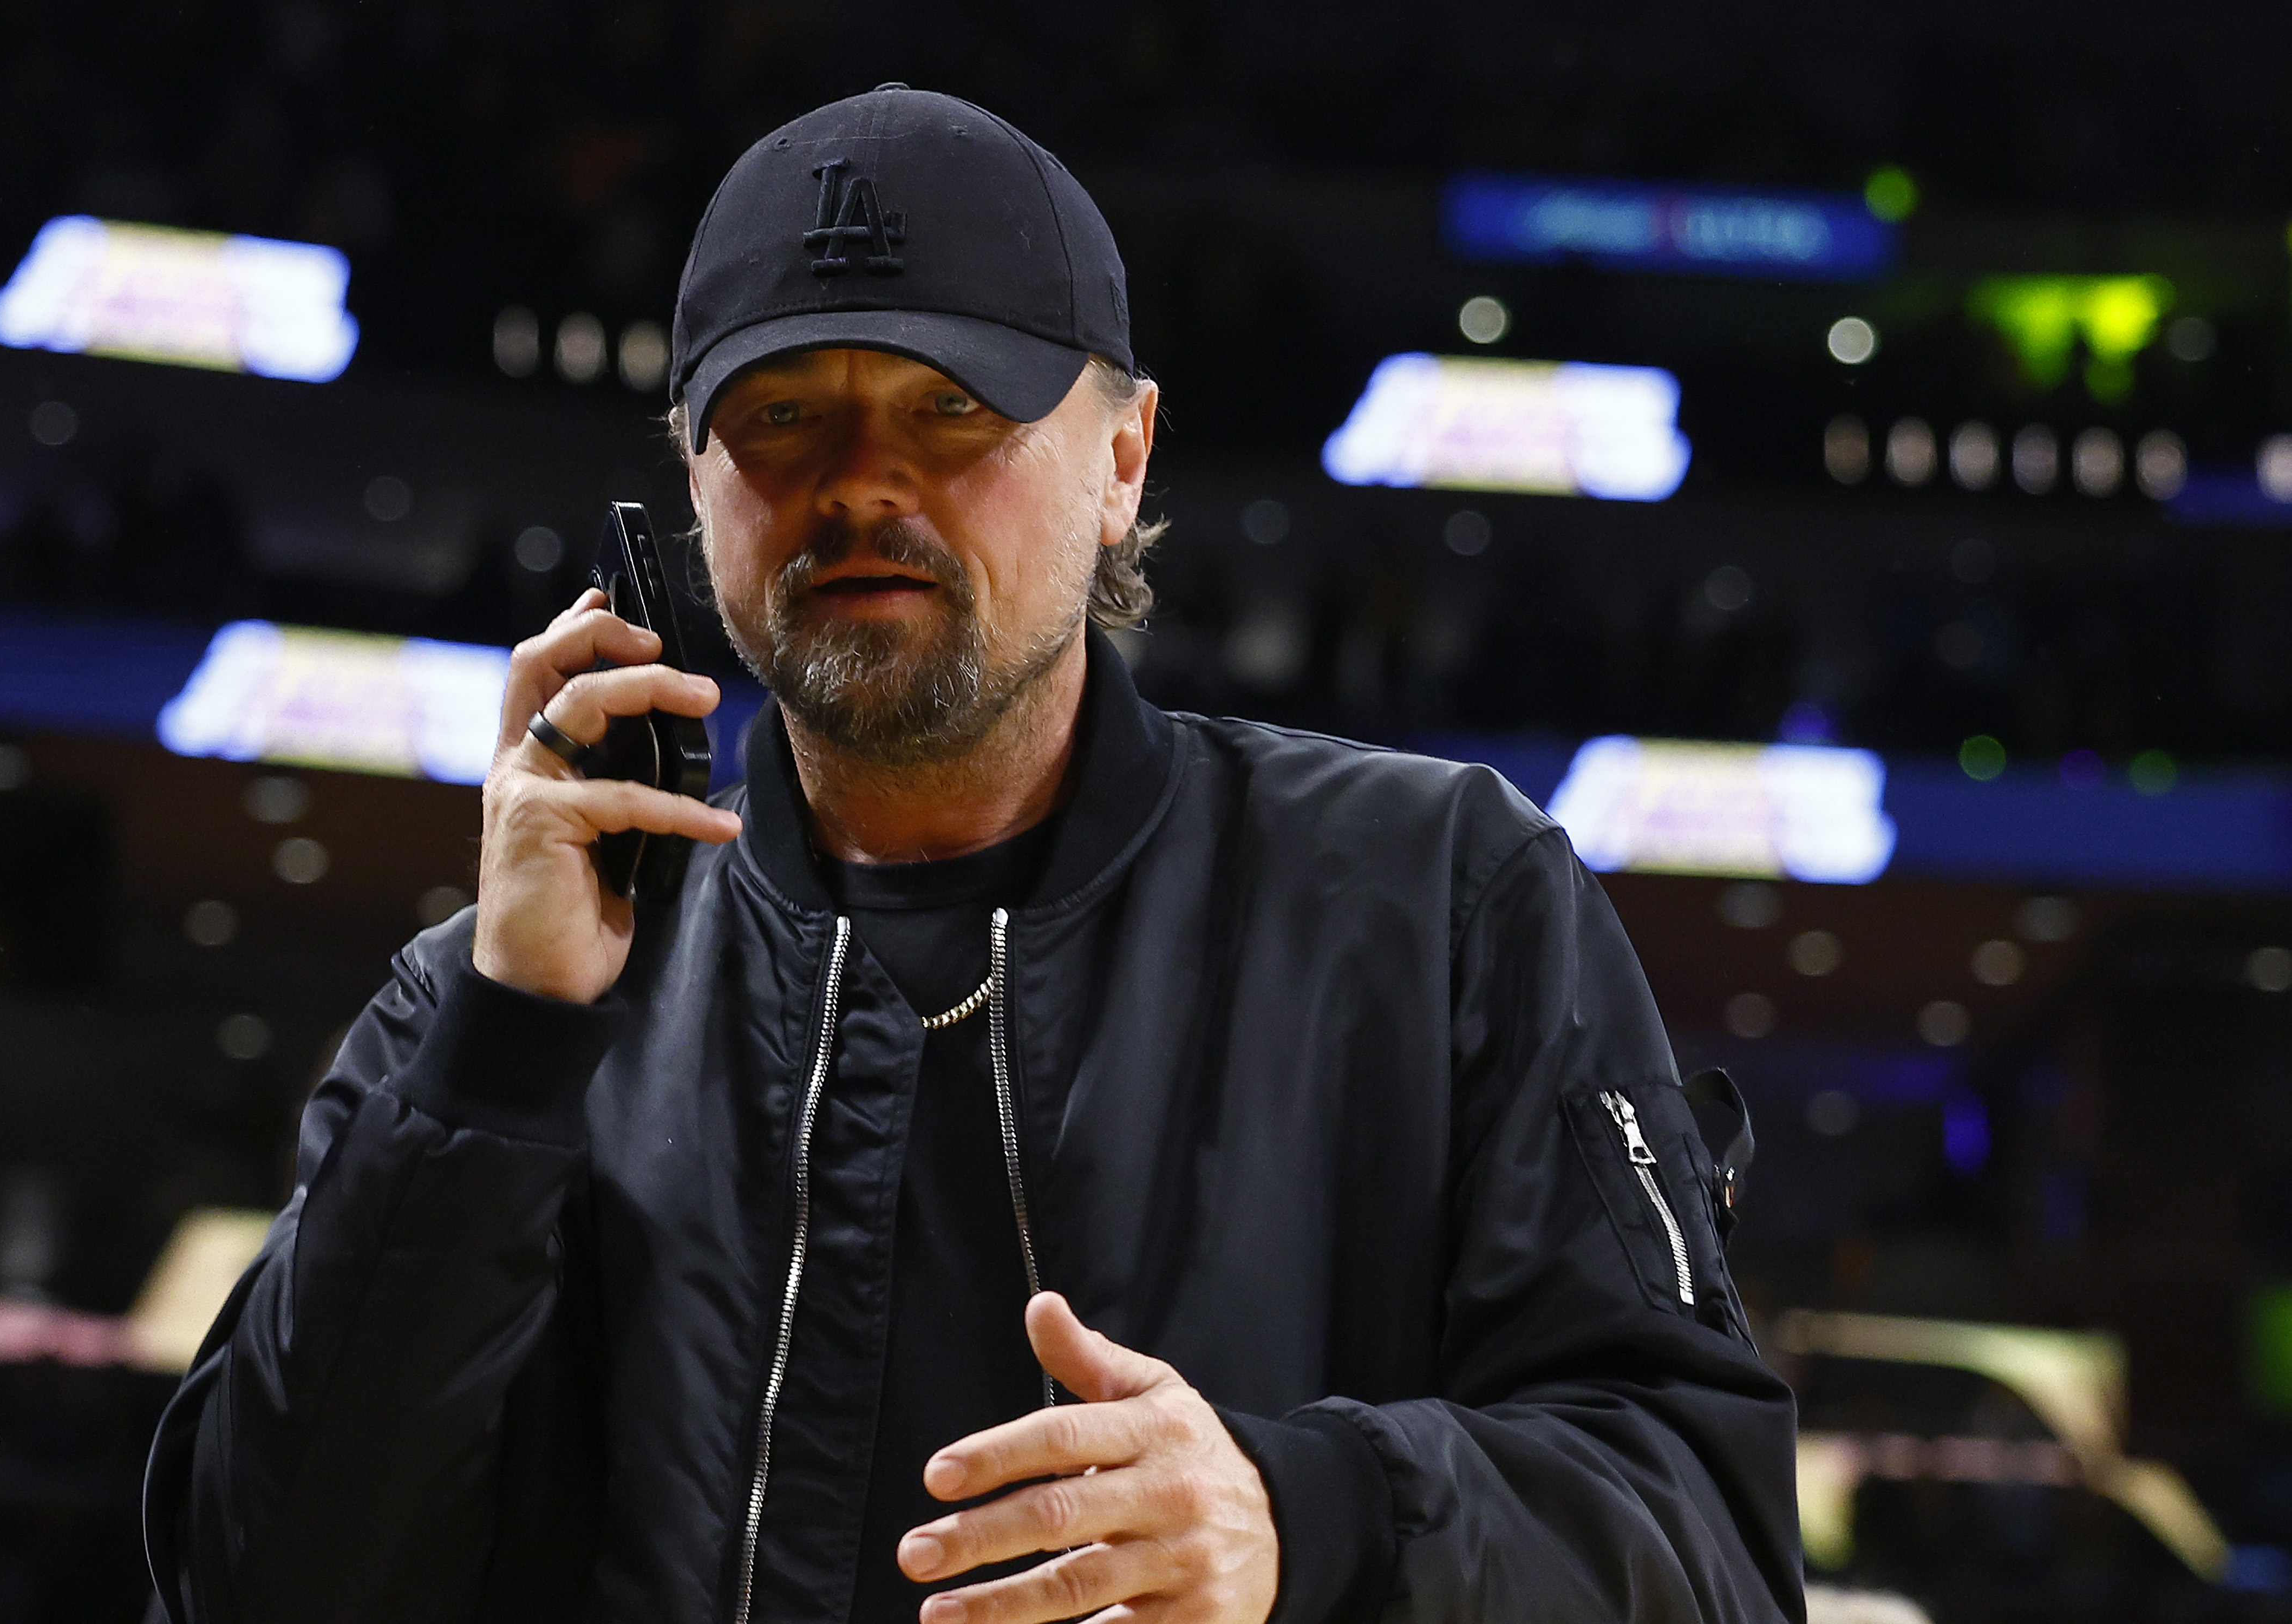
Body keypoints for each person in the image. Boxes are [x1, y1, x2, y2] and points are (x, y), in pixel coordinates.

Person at [143, 86, 1801, 1624]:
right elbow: (254, 1584)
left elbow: (1713, 1546)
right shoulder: (502, 1000)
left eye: (953, 409)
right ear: (693, 481)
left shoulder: (1445, 900)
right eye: (784, 414)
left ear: (1125, 455)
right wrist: (505, 1052)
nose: (862, 484)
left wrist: (1310, 1516)